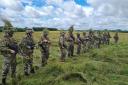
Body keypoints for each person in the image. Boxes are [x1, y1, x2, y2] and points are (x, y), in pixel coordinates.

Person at [0, 20, 18, 85]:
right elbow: (1, 48)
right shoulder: (4, 39)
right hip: (7, 57)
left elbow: (16, 45)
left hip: (13, 56)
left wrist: (17, 49)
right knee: (6, 69)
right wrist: (9, 50)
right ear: (8, 32)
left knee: (14, 67)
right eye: (11, 31)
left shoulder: (12, 38)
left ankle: (13, 78)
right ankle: (3, 81)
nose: (12, 32)